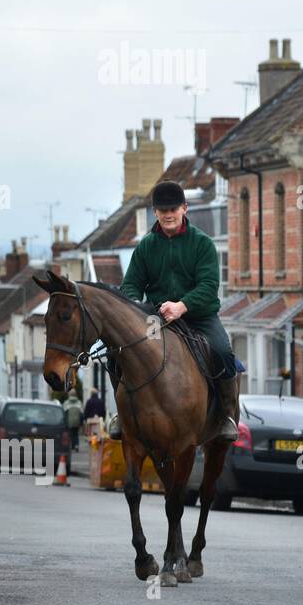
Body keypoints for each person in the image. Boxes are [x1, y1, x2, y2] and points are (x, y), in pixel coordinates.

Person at [112, 180, 239, 442]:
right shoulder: (146, 246)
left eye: (173, 208)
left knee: (223, 351)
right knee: (119, 351)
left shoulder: (202, 244)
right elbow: (131, 284)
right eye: (162, 209)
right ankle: (121, 413)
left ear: (185, 208)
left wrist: (182, 306)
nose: (168, 214)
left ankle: (227, 414)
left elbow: (209, 285)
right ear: (155, 212)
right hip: (155, 318)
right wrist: (136, 308)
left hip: (198, 317)